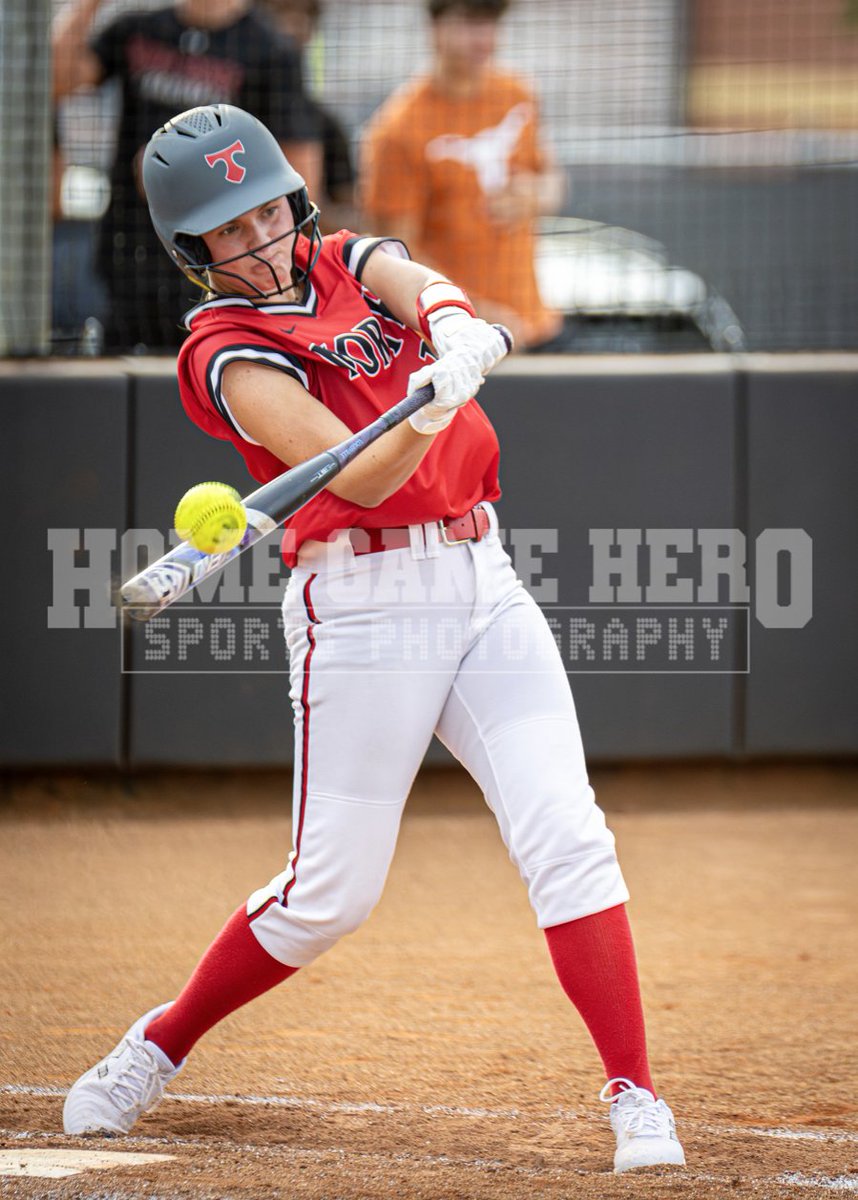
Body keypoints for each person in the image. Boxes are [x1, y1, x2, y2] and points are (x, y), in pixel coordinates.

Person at [62, 103, 685, 1175]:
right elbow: (355, 476)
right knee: (327, 897)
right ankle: (158, 1043)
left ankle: (636, 1095)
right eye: (227, 228)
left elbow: (417, 280)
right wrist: (425, 414)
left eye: (266, 211)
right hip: (358, 607)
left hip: (480, 579)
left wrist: (451, 329)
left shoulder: (347, 255)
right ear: (192, 249)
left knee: (568, 836)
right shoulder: (225, 350)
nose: (257, 239)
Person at [52, 0, 322, 353]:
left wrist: (187, 181)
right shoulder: (140, 28)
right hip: (130, 254)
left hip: (222, 269)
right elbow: (53, 81)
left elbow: (299, 179)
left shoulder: (269, 48)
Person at [360, 0, 566, 352]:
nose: (484, 39)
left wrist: (537, 195)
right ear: (436, 27)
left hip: (536, 323)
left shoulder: (514, 93)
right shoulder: (398, 129)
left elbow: (552, 180)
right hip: (456, 341)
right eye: (470, 23)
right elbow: (396, 255)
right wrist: (476, 316)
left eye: (491, 24)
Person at [257, 0, 358, 234]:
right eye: (282, 11)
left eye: (306, 15)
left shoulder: (326, 126)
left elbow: (353, 219)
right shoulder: (229, 113)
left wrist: (309, 205)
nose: (295, 25)